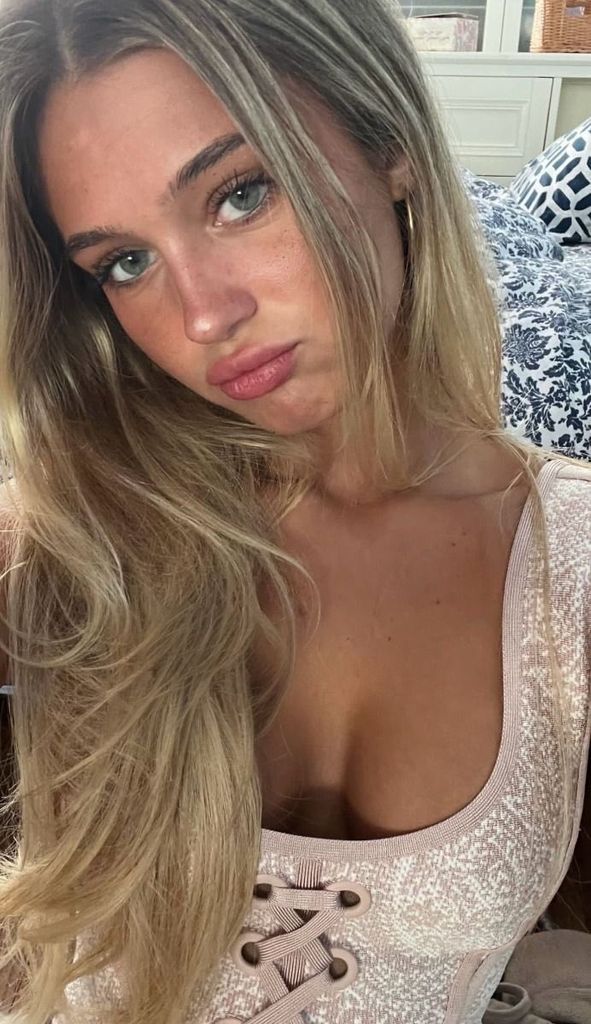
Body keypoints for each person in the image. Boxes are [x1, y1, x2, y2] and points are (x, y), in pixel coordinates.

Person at [0, 1, 588, 1023]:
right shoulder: (77, 529)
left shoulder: (564, 564)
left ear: (389, 145)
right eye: (124, 263)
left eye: (240, 195)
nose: (202, 316)